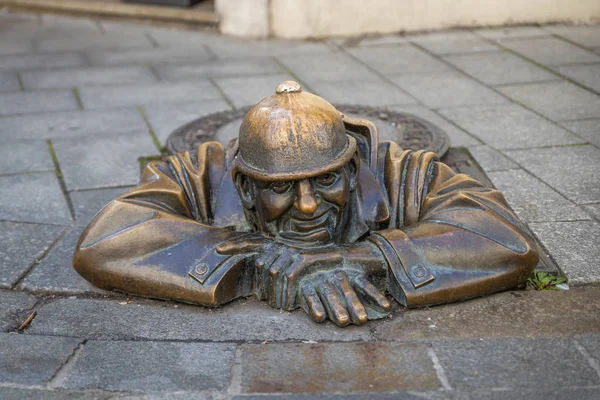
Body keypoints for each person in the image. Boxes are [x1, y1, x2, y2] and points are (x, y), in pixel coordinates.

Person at [73, 81, 538, 327]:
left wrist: (359, 258)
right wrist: (257, 260)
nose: (310, 205)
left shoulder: (401, 170)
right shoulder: (200, 172)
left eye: (329, 179)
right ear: (244, 184)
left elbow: (503, 237)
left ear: (353, 169)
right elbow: (107, 240)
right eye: (280, 188)